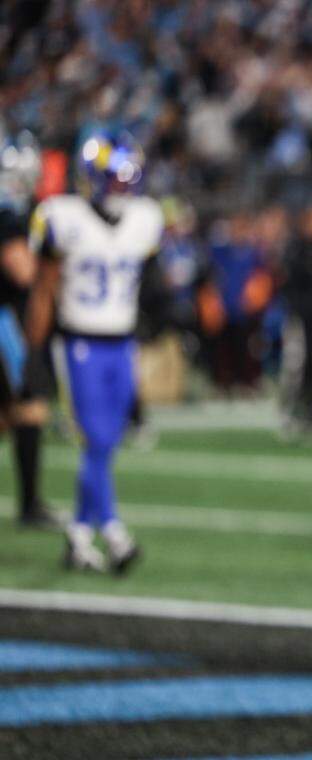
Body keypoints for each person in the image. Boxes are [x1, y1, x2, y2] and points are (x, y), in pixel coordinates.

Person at [25, 130, 164, 573]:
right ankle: (115, 533)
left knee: (105, 444)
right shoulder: (61, 216)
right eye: (114, 178)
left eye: (127, 178)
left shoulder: (146, 217)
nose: (121, 187)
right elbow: (44, 289)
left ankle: (79, 536)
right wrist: (33, 353)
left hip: (121, 342)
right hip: (78, 341)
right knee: (98, 439)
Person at [0, 128, 58, 528]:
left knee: (23, 410)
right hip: (6, 321)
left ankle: (31, 503)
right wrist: (53, 265)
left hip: (12, 319)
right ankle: (30, 504)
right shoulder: (9, 214)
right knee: (29, 406)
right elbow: (20, 269)